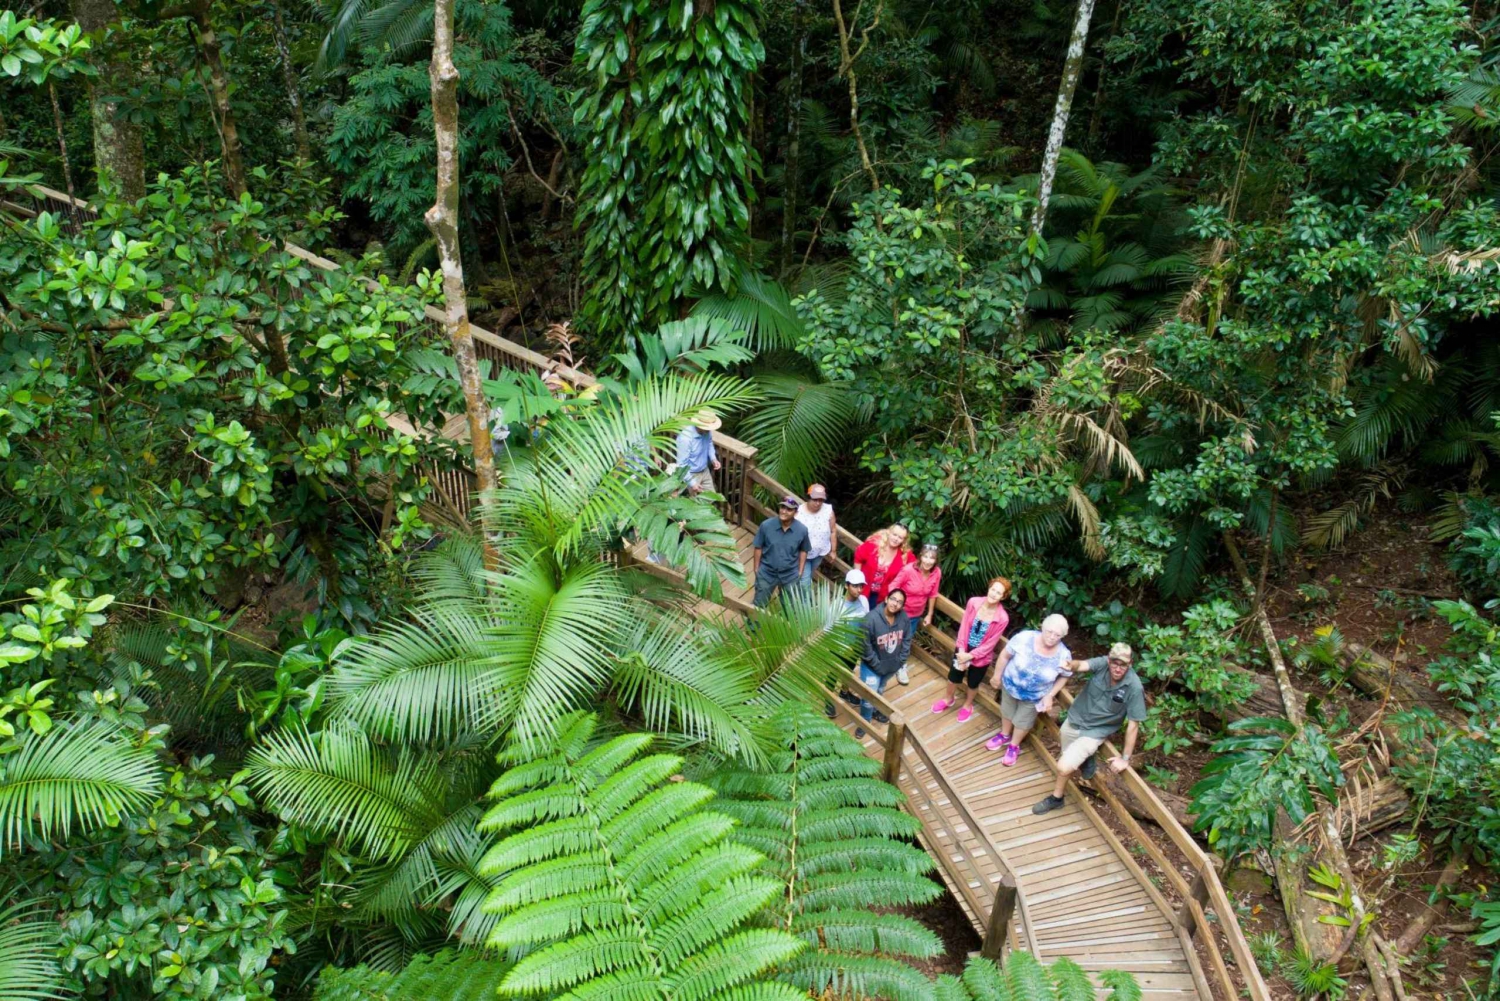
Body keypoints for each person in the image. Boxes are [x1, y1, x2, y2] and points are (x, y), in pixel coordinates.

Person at [1032, 643, 1147, 814]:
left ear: (1130, 664)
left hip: (1095, 731)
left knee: (1063, 767)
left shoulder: (1134, 687)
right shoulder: (1102, 664)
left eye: (1123, 664)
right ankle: (1063, 791)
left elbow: (1133, 725)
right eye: (1114, 663)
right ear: (1109, 661)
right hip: (1076, 718)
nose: (1117, 668)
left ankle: (1056, 796)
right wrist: (1071, 665)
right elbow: (1082, 665)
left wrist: (1125, 758)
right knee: (1066, 757)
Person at [985, 614, 1074, 767]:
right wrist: (997, 675)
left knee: (1023, 721)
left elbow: (1064, 676)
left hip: (1035, 695)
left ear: (1063, 636)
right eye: (1049, 632)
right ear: (1043, 628)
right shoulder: (1024, 638)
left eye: (1057, 635)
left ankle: (1014, 746)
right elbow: (1005, 655)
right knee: (1007, 711)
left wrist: (1050, 695)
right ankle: (1004, 735)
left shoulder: (1064, 655)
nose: (1052, 637)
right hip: (1010, 685)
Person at [932, 577, 1011, 723]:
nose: (994, 594)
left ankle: (968, 705)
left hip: (981, 655)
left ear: (1003, 596)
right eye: (993, 589)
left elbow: (990, 644)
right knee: (954, 676)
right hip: (963, 647)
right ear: (989, 588)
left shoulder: (1002, 618)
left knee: (973, 683)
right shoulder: (974, 602)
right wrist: (962, 651)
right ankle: (948, 698)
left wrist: (970, 656)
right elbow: (964, 627)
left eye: (998, 592)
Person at [852, 525, 914, 680]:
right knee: (857, 623)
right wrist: (856, 580)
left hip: (882, 598)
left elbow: (918, 567)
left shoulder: (904, 555)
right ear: (889, 532)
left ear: (904, 540)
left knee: (873, 627)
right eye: (894, 535)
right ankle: (852, 650)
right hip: (863, 592)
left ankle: (868, 659)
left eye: (900, 537)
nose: (896, 539)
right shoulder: (874, 544)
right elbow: (859, 556)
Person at [854, 587, 910, 733]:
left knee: (879, 690)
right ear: (886, 599)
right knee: (868, 697)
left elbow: (907, 639)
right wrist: (877, 665)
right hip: (872, 667)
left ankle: (875, 711)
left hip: (891, 666)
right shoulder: (870, 619)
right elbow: (864, 646)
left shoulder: (904, 619)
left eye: (899, 602)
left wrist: (900, 661)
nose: (895, 604)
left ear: (902, 606)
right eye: (893, 599)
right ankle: (865, 722)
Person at [890, 543, 943, 672]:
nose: (928, 561)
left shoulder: (936, 573)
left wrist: (929, 614)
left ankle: (901, 665)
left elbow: (933, 594)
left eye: (932, 558)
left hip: (916, 614)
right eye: (926, 556)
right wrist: (896, 604)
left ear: (936, 560)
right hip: (900, 611)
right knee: (893, 637)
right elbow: (893, 586)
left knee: (906, 639)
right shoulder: (908, 570)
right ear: (920, 556)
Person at [752, 496, 810, 608]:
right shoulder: (766, 525)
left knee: (789, 606)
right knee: (759, 604)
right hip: (767, 572)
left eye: (789, 509)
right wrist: (756, 568)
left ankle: (786, 620)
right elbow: (758, 546)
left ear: (795, 513)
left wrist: (800, 571)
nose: (784, 511)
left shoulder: (802, 530)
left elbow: (804, 550)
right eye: (782, 507)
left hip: (790, 574)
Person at [795, 485, 837, 587]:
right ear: (808, 498)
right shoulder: (798, 512)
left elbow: (833, 531)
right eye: (815, 499)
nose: (818, 503)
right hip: (802, 553)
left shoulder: (828, 510)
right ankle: (802, 596)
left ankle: (795, 589)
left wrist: (833, 550)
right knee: (805, 582)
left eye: (821, 500)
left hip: (819, 553)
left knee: (807, 575)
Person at [675, 409, 722, 494]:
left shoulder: (706, 432)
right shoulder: (685, 438)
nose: (709, 430)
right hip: (690, 474)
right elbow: (681, 464)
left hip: (704, 470)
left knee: (711, 497)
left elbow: (709, 443)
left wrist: (713, 459)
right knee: (693, 501)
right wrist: (692, 483)